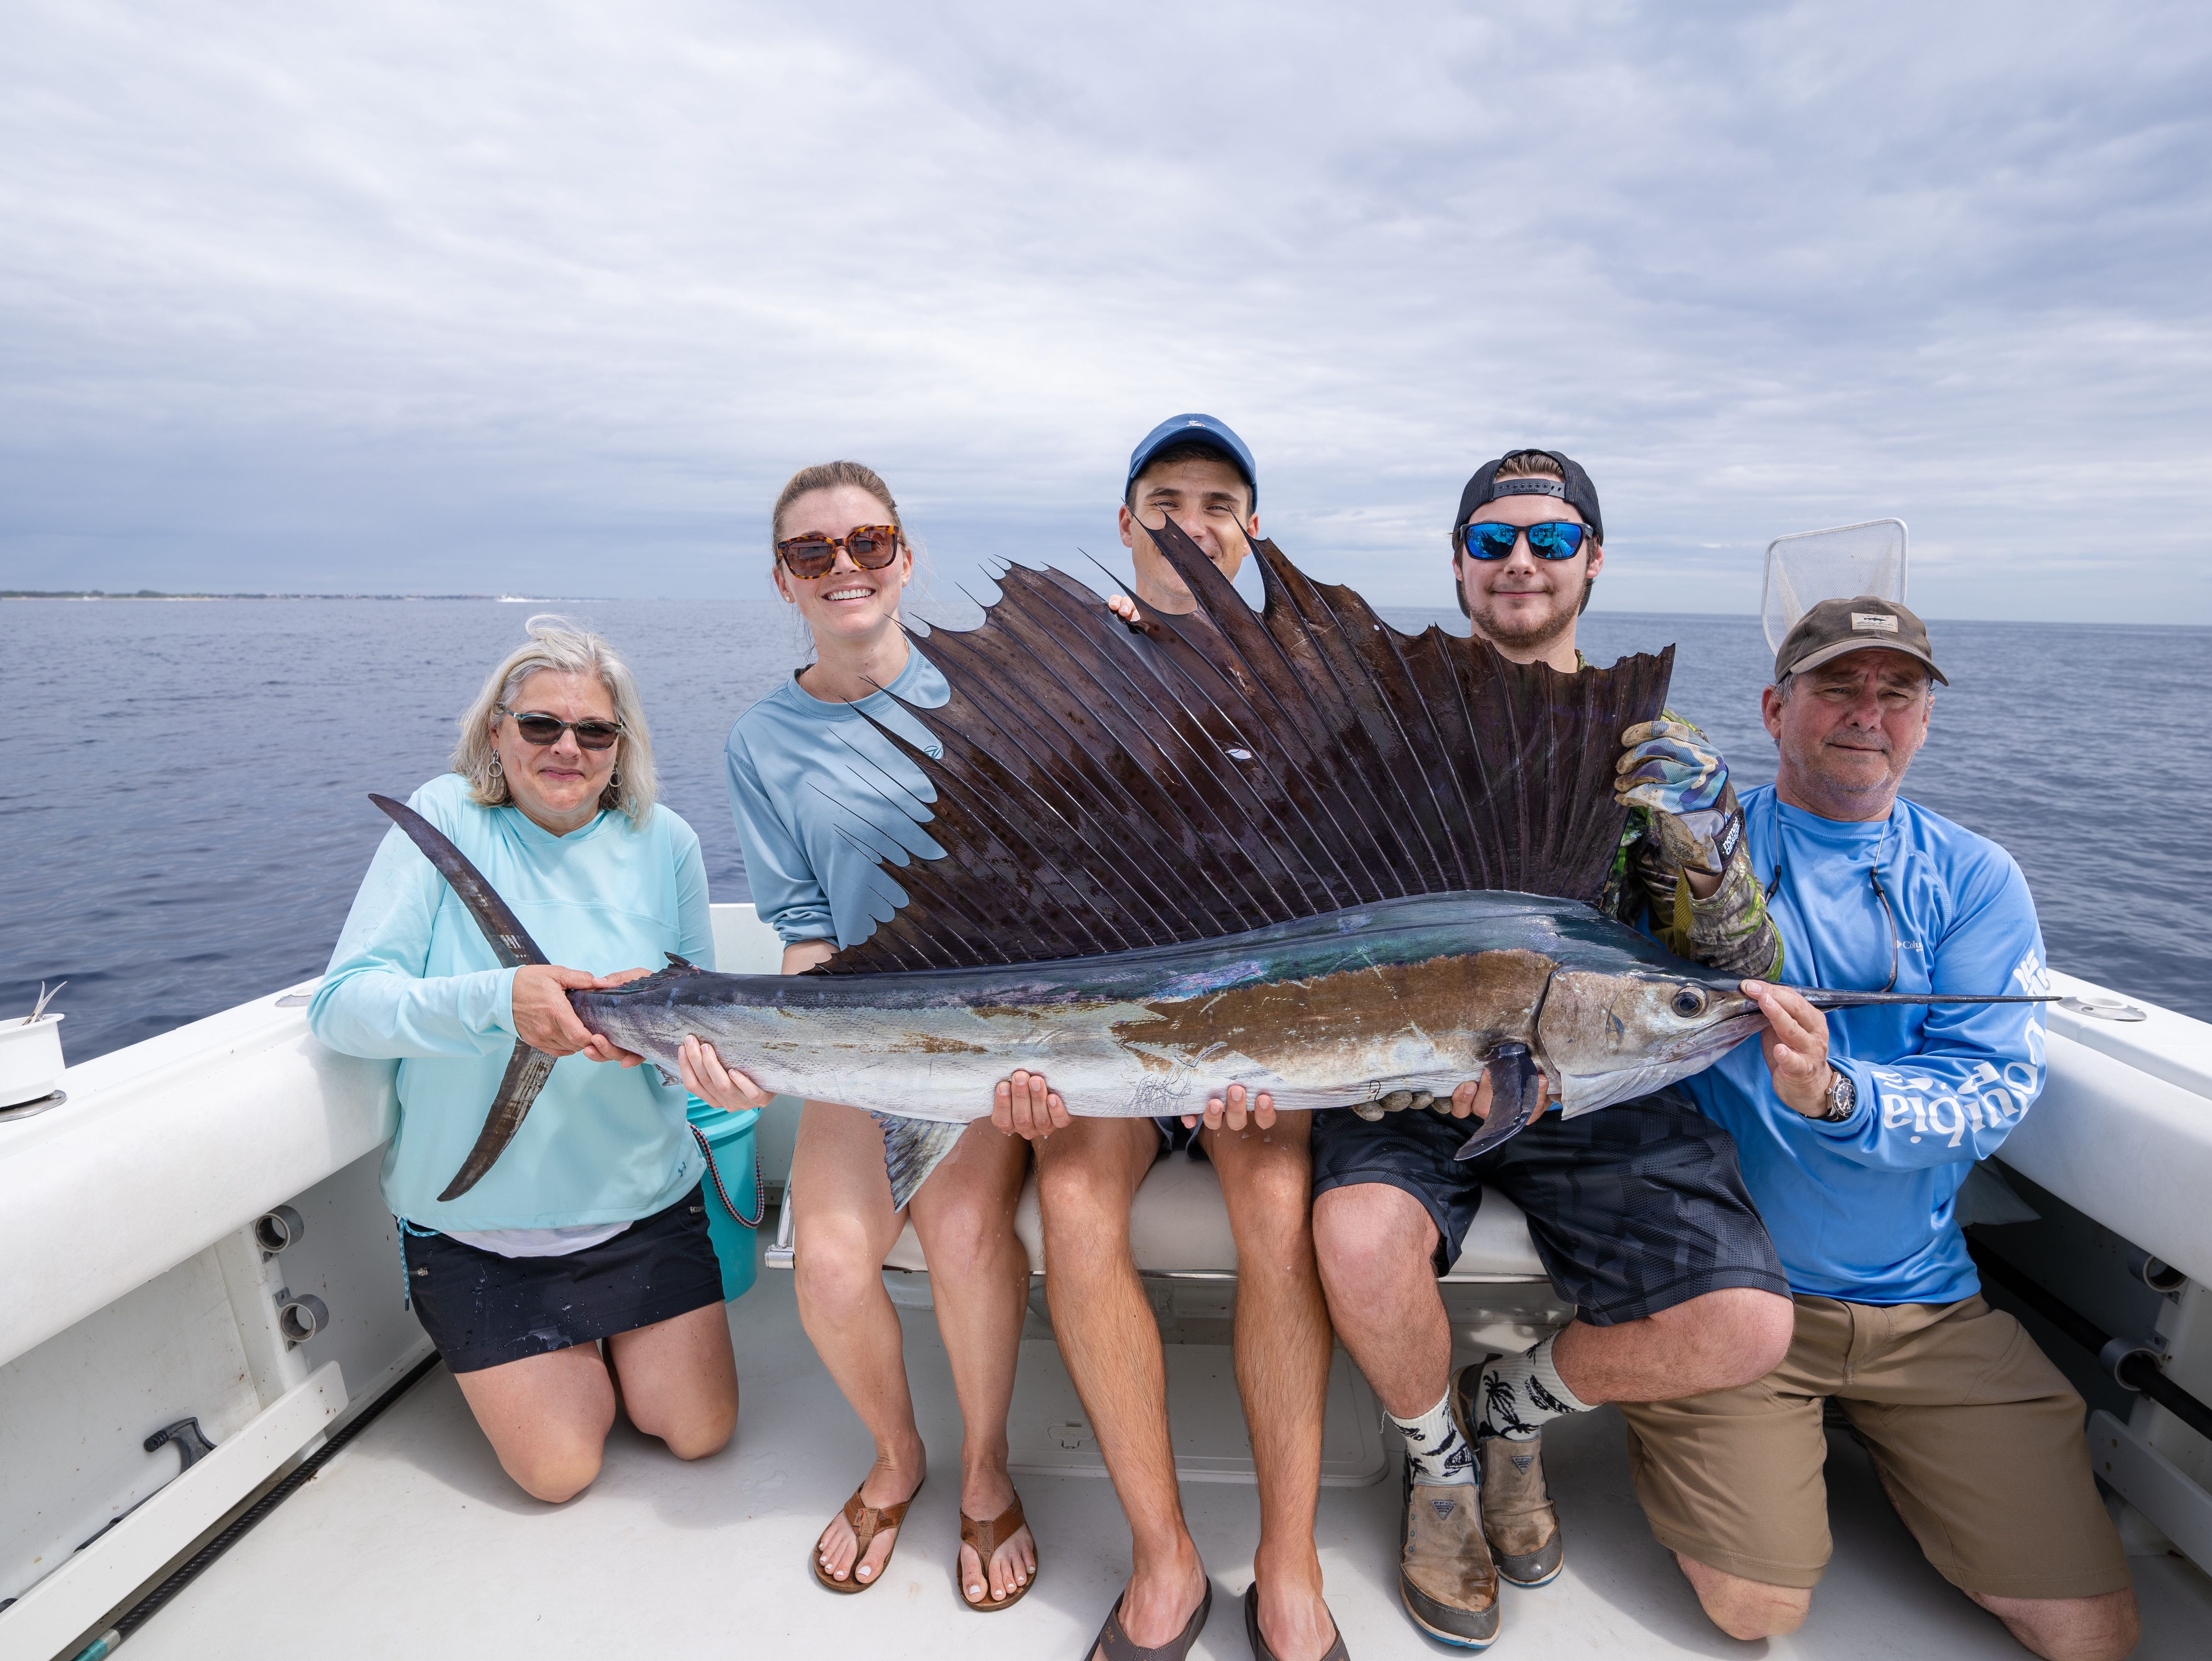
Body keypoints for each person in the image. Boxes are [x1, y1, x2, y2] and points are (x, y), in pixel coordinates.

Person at [1306, 450, 1798, 1649]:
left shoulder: (1656, 743)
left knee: (1745, 1322)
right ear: (1462, 561)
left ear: (1591, 558)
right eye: (1491, 541)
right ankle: (1439, 1468)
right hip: (1406, 1076)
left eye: (1550, 538)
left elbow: (1743, 971)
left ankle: (1512, 1411)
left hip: (1603, 1079)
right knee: (1357, 1236)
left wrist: (1703, 842)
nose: (1520, 561)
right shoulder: (1389, 732)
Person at [1617, 598, 2139, 1660]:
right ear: (1775, 707)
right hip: (1735, 1293)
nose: (1869, 711)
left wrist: (1839, 1095)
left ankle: (1890, 1453)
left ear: (1925, 720)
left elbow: (1994, 1086)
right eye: (1837, 686)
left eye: (1897, 691)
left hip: (1926, 1303)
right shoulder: (1692, 854)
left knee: (2092, 1634)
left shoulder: (1978, 878)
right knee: (1755, 1610)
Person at [994, 414, 1347, 1661]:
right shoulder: (1059, 676)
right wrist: (1037, 1063)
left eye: (1218, 503)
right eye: (1166, 500)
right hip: (1110, 1031)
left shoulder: (1310, 680)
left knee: (1276, 1193)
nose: (1191, 523)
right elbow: (1023, 882)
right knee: (1076, 1196)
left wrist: (1248, 1056)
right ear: (1127, 519)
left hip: (1261, 1036)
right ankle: (1165, 1559)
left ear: (1252, 531)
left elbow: (1338, 882)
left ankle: (1291, 1564)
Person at [311, 616, 748, 1503]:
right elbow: (344, 1003)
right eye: (541, 724)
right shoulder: (442, 817)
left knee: (700, 1432)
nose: (567, 747)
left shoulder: (666, 841)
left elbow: (698, 1013)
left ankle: (601, 1346)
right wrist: (496, 1003)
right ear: (497, 731)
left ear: (620, 747)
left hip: (643, 1210)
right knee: (561, 1469)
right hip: (479, 1232)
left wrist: (692, 1059)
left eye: (594, 730)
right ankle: (561, 1353)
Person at [717, 461, 1040, 1611]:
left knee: (960, 1231)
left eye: (868, 542)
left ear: (906, 558)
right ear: (784, 582)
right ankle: (901, 1458)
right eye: (816, 553)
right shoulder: (760, 743)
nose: (845, 566)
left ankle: (989, 1465)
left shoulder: (990, 697)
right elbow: (805, 937)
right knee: (834, 1260)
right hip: (860, 1028)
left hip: (991, 1032)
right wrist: (782, 1054)